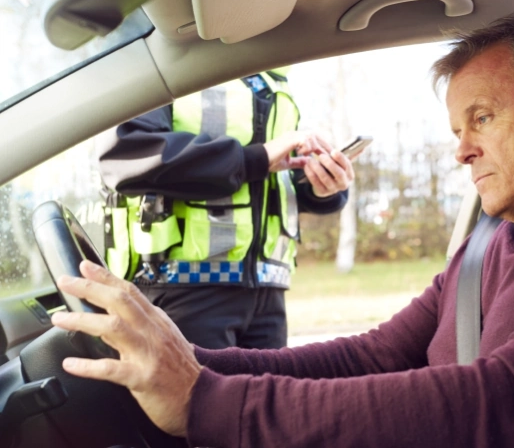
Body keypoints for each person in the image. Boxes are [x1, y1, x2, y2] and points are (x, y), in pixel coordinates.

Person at [52, 12, 514, 447]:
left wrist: (208, 401)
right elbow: (368, 356)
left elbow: (503, 401)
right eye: (456, 129)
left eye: (482, 118)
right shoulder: (491, 240)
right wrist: (183, 359)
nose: (460, 150)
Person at [98, 68, 354, 349]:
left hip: (268, 295)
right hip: (183, 291)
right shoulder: (166, 68)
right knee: (199, 394)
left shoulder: (273, 77)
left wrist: (319, 189)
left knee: (269, 394)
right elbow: (127, 155)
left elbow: (273, 182)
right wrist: (257, 158)